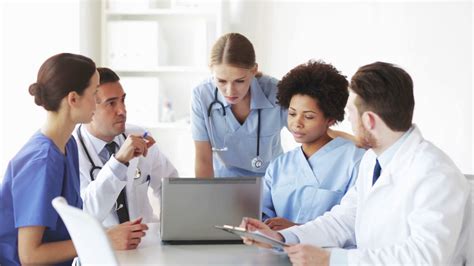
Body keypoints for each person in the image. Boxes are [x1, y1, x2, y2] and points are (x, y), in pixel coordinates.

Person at [241, 62, 471, 265]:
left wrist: (333, 260)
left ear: (369, 120)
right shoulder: (373, 160)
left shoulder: (435, 174)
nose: (347, 120)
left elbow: (426, 257)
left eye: (350, 112)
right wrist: (282, 237)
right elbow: (344, 219)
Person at [0, 53, 148, 266]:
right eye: (95, 93)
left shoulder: (67, 145)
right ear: (73, 99)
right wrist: (103, 238)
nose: (98, 103)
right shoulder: (41, 161)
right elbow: (30, 256)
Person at [262, 60, 365, 230]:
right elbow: (263, 216)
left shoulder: (355, 161)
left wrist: (298, 229)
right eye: (292, 114)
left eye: (308, 117)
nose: (296, 123)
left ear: (330, 119)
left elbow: (357, 223)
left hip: (329, 254)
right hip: (276, 253)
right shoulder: (279, 166)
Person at [74, 67, 178, 227]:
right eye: (111, 103)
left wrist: (170, 229)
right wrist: (119, 162)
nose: (122, 110)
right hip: (103, 247)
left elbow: (170, 187)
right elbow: (85, 213)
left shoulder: (139, 136)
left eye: (123, 100)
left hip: (146, 243)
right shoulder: (71, 150)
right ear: (90, 107)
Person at [191, 32, 287, 177]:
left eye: (239, 81)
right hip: (224, 184)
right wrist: (206, 198)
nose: (230, 91)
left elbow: (309, 132)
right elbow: (203, 160)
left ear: (253, 70)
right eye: (222, 81)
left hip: (272, 182)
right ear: (211, 71)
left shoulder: (277, 92)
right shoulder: (202, 95)